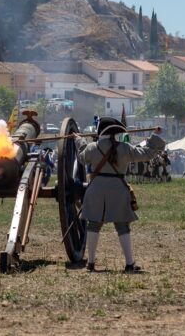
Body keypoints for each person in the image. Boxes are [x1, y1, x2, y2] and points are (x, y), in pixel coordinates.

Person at [74, 117, 165, 273]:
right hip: (118, 189)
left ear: (100, 131)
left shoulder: (92, 147)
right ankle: (129, 264)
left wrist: (79, 140)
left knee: (93, 225)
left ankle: (91, 263)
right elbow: (148, 153)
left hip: (96, 189)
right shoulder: (124, 148)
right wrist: (154, 136)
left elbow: (82, 158)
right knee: (122, 226)